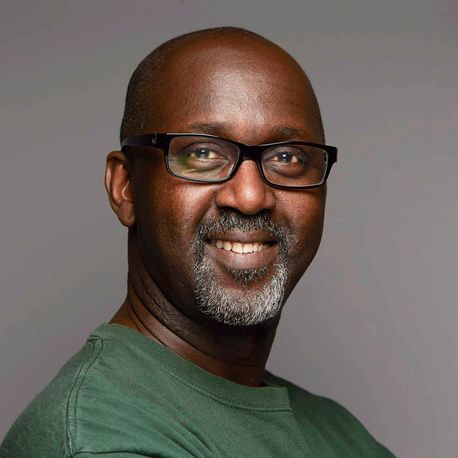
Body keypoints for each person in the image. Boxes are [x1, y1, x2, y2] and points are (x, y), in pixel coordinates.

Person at [0, 27, 394, 457]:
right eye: (203, 154)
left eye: (288, 157)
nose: (250, 197)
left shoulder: (337, 433)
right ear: (126, 187)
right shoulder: (102, 440)